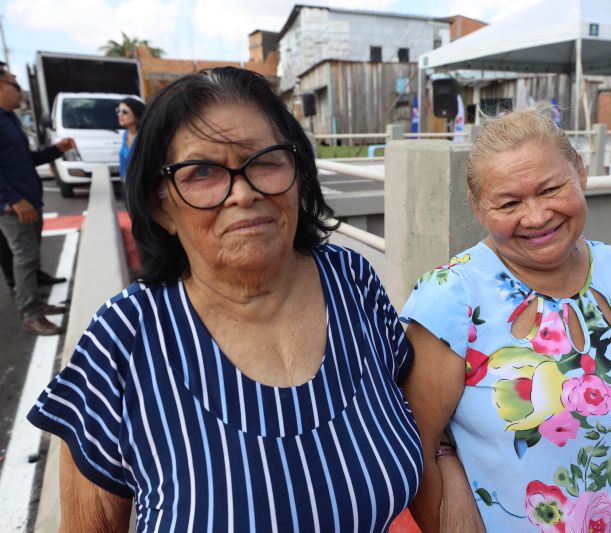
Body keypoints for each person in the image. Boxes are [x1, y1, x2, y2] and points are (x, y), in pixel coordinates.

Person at [27, 67, 422, 531]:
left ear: (298, 174)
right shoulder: (123, 339)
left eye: (267, 160)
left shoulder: (352, 280)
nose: (243, 192)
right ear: (162, 206)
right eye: (203, 172)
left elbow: (423, 421)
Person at [400, 108, 611, 532]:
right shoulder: (452, 297)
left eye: (551, 189)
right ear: (479, 209)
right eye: (509, 202)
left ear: (580, 173)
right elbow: (415, 444)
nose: (537, 216)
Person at [0, 67, 72, 335]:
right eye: (14, 85)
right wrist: (14, 200)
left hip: (29, 200)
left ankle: (33, 305)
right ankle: (31, 313)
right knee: (25, 258)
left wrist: (57, 149)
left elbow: (25, 160)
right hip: (14, 207)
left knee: (29, 258)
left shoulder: (10, 119)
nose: (19, 91)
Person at [116, 96, 144, 181]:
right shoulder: (125, 134)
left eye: (124, 112)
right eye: (118, 110)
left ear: (136, 115)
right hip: (127, 184)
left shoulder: (143, 136)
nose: (119, 114)